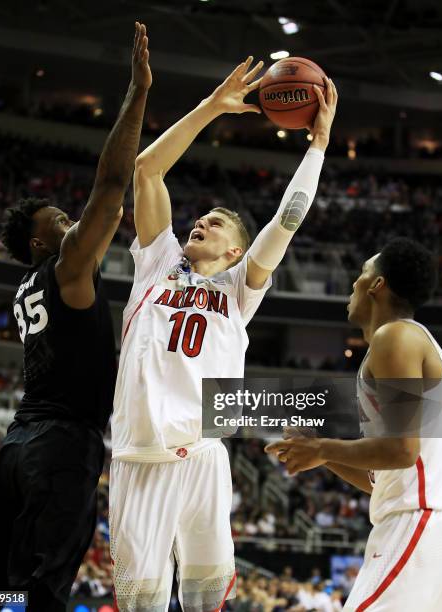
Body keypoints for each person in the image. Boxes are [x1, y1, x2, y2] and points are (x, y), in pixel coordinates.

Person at [110, 56, 338, 611]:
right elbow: (145, 170)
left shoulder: (240, 289)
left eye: (216, 222)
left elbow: (287, 221)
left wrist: (318, 148)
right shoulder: (157, 262)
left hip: (207, 456)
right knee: (140, 603)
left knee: (206, 600)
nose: (201, 222)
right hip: (140, 458)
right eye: (201, 217)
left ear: (235, 250)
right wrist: (212, 108)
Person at [0, 23, 151, 612]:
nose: (73, 220)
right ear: (41, 244)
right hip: (59, 445)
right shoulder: (66, 270)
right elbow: (114, 184)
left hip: (17, 446)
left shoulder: (32, 284)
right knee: (44, 588)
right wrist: (137, 94)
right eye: (59, 220)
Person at [266, 238, 442, 611]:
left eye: (362, 273)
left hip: (421, 521)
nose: (354, 283)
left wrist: (321, 448)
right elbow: (384, 475)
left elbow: (401, 451)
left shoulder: (396, 335)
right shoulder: (404, 341)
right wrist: (323, 455)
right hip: (423, 522)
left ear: (377, 284)